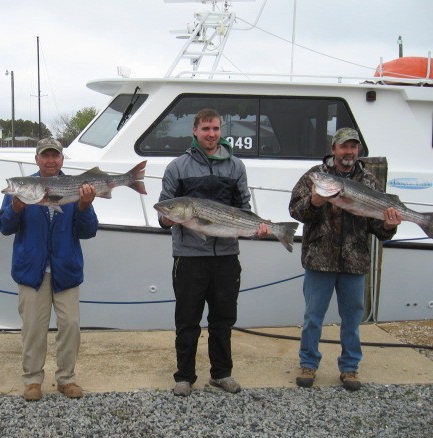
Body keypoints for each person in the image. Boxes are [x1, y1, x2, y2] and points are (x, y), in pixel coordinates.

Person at [157, 108, 270, 397]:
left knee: (223, 318)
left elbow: (244, 207)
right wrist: (167, 217)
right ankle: (184, 376)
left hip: (226, 256)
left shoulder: (235, 167)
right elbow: (163, 212)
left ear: (221, 132)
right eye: (206, 128)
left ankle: (221, 374)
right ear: (194, 131)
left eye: (216, 129)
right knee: (187, 320)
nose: (211, 134)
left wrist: (259, 227)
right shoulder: (177, 168)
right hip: (189, 257)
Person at [289, 127, 401, 391]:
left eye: (353, 147)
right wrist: (314, 202)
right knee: (312, 317)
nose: (348, 152)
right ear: (333, 149)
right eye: (343, 147)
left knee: (352, 319)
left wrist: (388, 225)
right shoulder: (315, 176)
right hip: (319, 259)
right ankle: (308, 364)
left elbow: (378, 230)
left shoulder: (370, 182)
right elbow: (295, 210)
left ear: (358, 150)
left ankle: (350, 368)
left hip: (355, 261)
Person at [0, 138, 98, 401]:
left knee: (70, 326)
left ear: (62, 159)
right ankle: (32, 380)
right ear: (37, 159)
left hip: (66, 270)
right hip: (32, 272)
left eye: (55, 156)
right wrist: (16, 207)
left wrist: (84, 206)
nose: (50, 160)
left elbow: (88, 231)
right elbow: (4, 227)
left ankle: (66, 379)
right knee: (32, 328)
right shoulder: (24, 187)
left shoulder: (76, 187)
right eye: (45, 156)